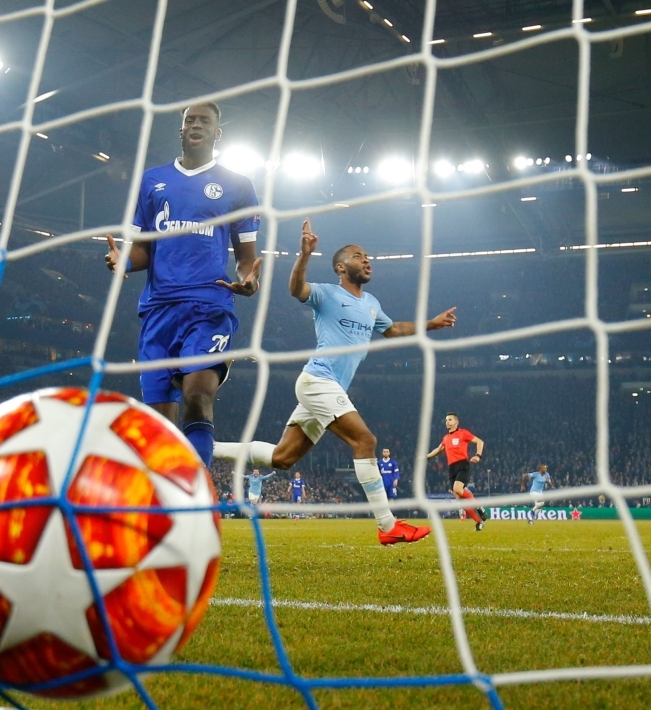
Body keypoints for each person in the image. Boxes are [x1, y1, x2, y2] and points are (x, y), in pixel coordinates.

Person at [214, 220, 457, 546]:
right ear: (341, 267)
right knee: (365, 441)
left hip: (329, 388)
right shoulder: (327, 295)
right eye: (359, 256)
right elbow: (296, 290)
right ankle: (387, 526)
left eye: (368, 256)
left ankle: (204, 447)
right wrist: (304, 256)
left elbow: (394, 329)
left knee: (283, 458)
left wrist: (432, 324)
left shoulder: (371, 303)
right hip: (318, 381)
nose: (367, 260)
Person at [104, 101, 262, 470]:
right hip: (158, 311)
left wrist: (247, 279)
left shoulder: (237, 185)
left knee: (196, 397)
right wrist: (122, 261)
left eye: (205, 120)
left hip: (209, 307)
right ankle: (165, 504)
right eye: (189, 119)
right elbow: (144, 250)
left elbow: (244, 258)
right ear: (180, 130)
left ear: (216, 133)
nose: (196, 124)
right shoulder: (152, 180)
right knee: (159, 423)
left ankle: (199, 500)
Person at [427, 413, 487, 531]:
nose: (447, 422)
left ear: (456, 422)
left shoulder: (463, 433)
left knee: (457, 489)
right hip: (451, 468)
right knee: (460, 500)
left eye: (450, 420)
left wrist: (478, 456)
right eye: (446, 420)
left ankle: (479, 507)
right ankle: (479, 522)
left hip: (462, 464)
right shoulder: (445, 438)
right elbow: (438, 450)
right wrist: (427, 456)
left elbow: (480, 442)